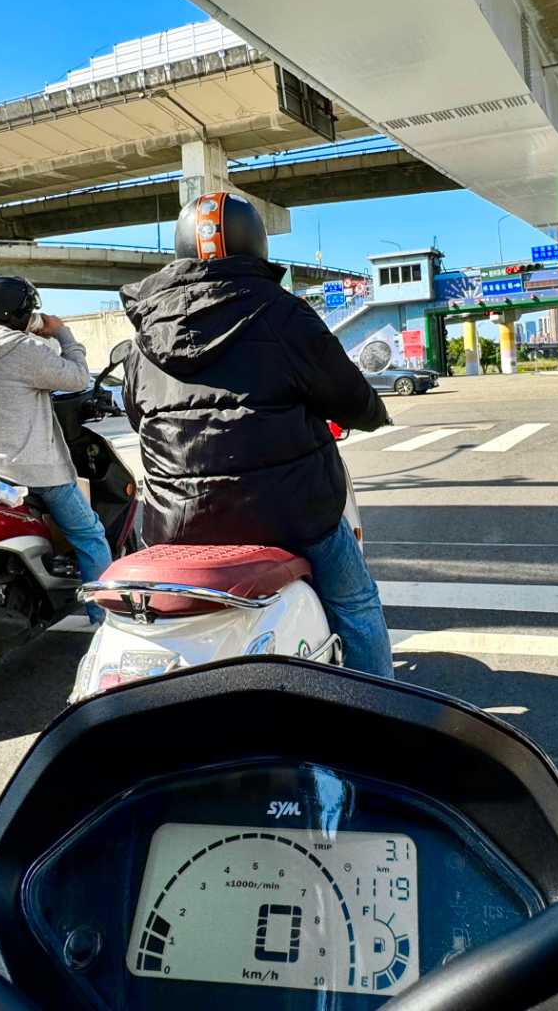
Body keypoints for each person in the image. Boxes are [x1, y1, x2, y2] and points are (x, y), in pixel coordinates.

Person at [119, 192, 395, 677]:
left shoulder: (145, 332)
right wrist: (375, 413)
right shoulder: (283, 313)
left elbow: (136, 416)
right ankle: (381, 724)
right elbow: (351, 397)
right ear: (258, 245)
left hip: (174, 523)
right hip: (291, 513)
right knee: (357, 605)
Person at [0, 276, 111, 622]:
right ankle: (104, 620)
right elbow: (77, 378)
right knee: (90, 535)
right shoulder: (23, 349)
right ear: (21, 311)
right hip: (25, 472)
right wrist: (62, 333)